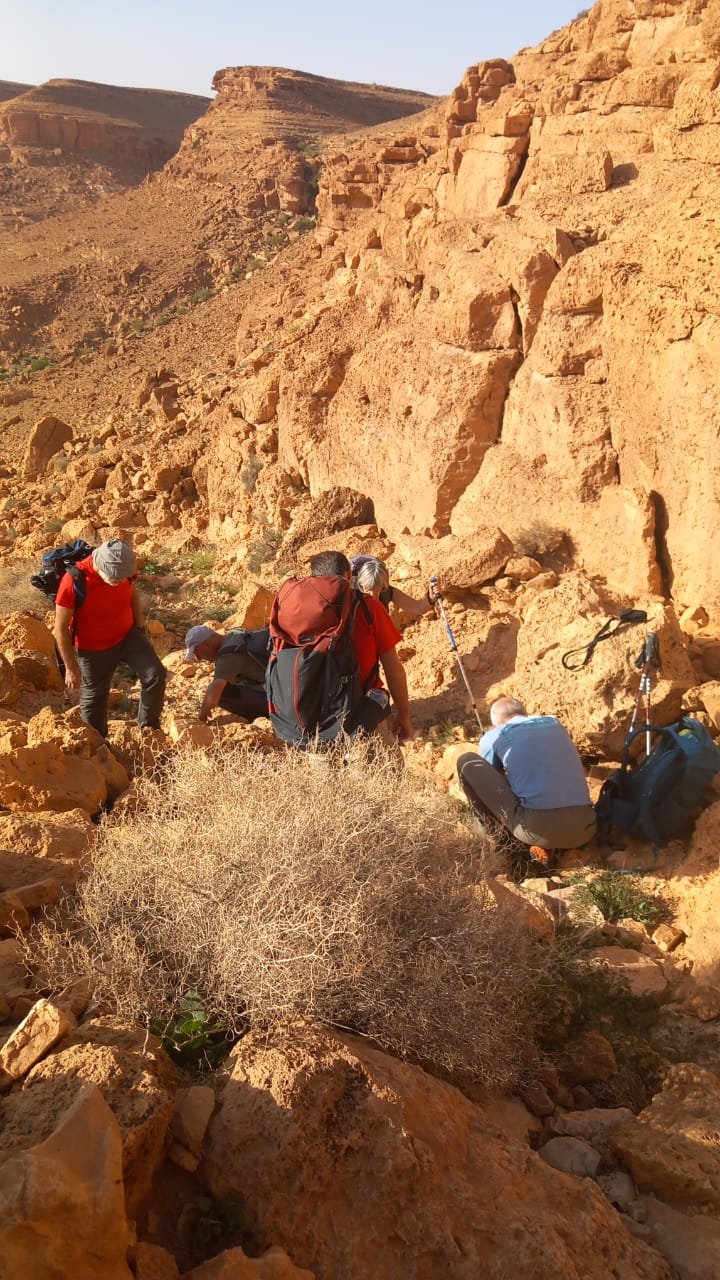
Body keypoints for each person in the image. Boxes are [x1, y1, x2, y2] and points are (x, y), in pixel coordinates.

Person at [53, 539, 166, 738]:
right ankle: (98, 744)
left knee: (155, 674)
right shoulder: (73, 581)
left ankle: (149, 731)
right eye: (114, 577)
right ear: (100, 564)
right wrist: (70, 667)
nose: (119, 581)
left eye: (123, 577)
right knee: (95, 697)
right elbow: (60, 629)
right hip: (93, 648)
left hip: (127, 635)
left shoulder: (124, 572)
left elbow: (132, 594)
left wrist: (140, 627)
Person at [456, 696, 596, 857]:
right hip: (586, 828)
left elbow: (490, 786)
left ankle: (500, 843)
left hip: (536, 830)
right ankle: (550, 848)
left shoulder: (494, 736)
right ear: (524, 713)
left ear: (495, 723)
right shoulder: (555, 724)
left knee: (466, 760)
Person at [184, 624, 269, 724]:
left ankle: (265, 717)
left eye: (197, 653)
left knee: (224, 694)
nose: (199, 658)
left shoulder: (228, 655)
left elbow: (213, 696)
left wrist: (201, 718)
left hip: (279, 698)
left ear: (206, 644)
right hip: (281, 685)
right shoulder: (235, 634)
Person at [351, 555, 439, 620]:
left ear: (383, 587)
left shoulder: (386, 593)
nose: (372, 596)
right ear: (361, 585)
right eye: (367, 590)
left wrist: (431, 598)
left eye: (376, 591)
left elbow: (417, 608)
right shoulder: (349, 592)